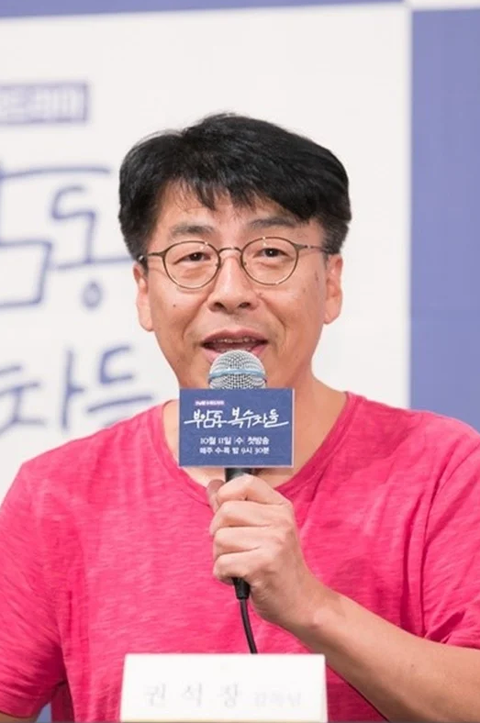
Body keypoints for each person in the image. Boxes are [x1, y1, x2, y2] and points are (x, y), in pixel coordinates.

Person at [1, 113, 480, 723]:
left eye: (271, 252)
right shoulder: (57, 494)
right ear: (144, 291)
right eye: (193, 256)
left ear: (331, 283)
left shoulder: (442, 469)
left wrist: (312, 607)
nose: (231, 290)